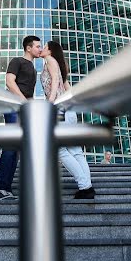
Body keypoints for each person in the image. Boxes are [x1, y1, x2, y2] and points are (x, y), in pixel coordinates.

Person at [41, 40, 95, 199]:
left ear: (50, 51)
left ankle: (84, 186)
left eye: (44, 47)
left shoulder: (50, 61)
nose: (42, 49)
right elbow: (68, 88)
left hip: (59, 110)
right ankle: (88, 185)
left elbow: (56, 82)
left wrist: (50, 102)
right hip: (68, 111)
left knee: (61, 150)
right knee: (76, 151)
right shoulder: (59, 64)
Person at [0, 35, 41, 200]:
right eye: (37, 46)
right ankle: (0, 188)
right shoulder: (17, 61)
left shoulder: (33, 69)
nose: (40, 49)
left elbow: (29, 94)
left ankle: (5, 187)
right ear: (28, 47)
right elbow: (10, 82)